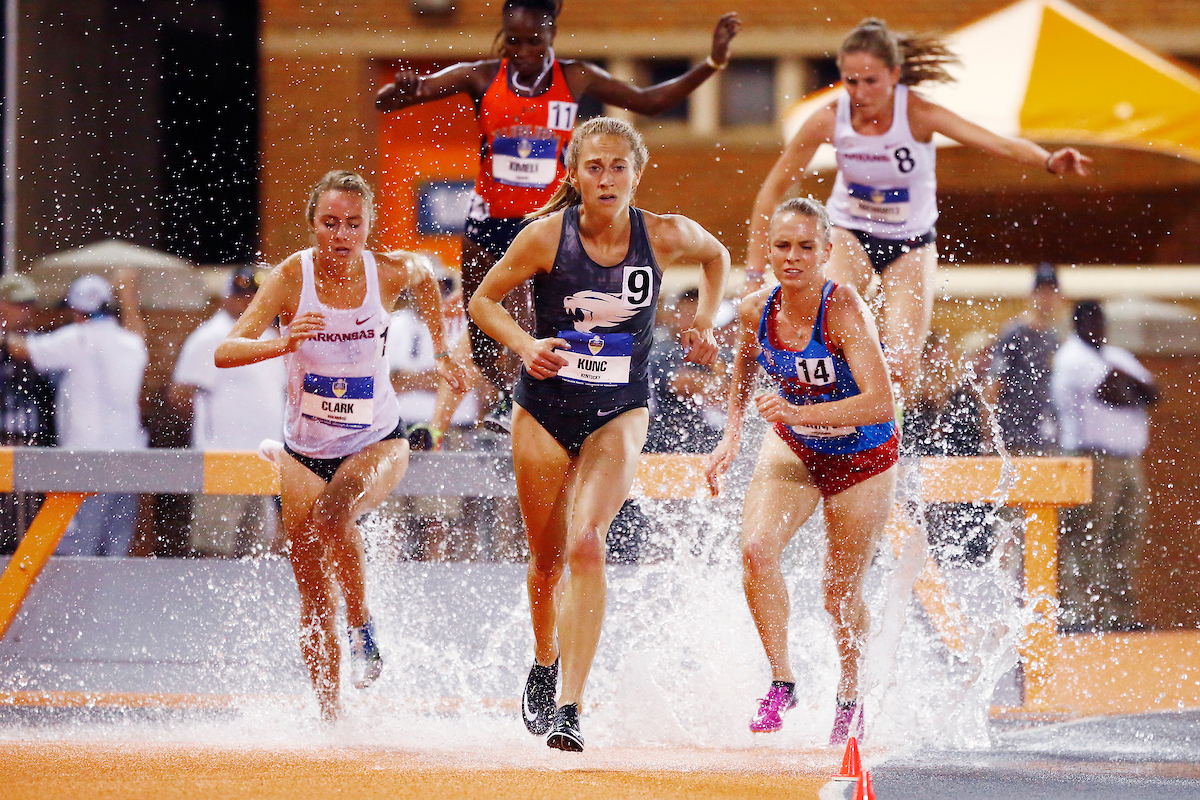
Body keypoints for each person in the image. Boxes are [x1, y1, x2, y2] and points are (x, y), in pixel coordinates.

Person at [468, 116, 729, 751]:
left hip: (620, 409)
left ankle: (570, 707)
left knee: (587, 544)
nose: (607, 179)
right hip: (545, 408)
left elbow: (717, 256)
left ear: (637, 174)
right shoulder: (545, 237)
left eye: (618, 167)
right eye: (594, 167)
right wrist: (526, 345)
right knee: (546, 561)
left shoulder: (663, 235)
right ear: (575, 174)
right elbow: (482, 301)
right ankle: (545, 658)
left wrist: (704, 323)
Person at [376, 1, 740, 432]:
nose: (524, 52)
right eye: (513, 42)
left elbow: (649, 100)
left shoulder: (576, 77)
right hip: (486, 221)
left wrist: (712, 63)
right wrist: (402, 89)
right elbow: (387, 101)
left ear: (551, 35)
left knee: (534, 319)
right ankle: (502, 394)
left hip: (543, 223)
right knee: (482, 328)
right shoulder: (481, 76)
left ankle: (526, 402)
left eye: (534, 41)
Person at [214, 170, 467, 721]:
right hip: (304, 450)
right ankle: (330, 720)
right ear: (312, 225)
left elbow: (426, 275)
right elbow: (225, 351)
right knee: (311, 596)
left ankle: (362, 626)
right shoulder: (290, 277)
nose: (342, 234)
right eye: (330, 223)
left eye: (354, 223)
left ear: (369, 226)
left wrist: (444, 352)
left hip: (377, 439)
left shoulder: (388, 271)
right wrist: (285, 341)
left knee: (334, 516)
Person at [745, 18, 1090, 409]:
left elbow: (997, 143)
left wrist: (1048, 160)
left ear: (894, 75)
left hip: (909, 243)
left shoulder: (918, 114)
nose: (860, 93)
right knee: (828, 332)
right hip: (849, 232)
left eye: (871, 81)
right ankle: (818, 420)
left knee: (901, 366)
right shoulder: (828, 118)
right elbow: (771, 192)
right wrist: (754, 273)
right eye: (851, 81)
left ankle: (883, 433)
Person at [705, 197, 898, 745]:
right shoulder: (754, 310)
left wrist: (796, 412)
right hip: (796, 446)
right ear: (768, 252)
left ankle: (851, 695)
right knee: (756, 549)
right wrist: (733, 432)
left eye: (806, 247)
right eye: (783, 246)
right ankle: (782, 680)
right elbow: (744, 363)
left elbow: (881, 402)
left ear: (826, 252)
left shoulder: (844, 309)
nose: (793, 257)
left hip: (863, 456)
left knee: (838, 595)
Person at [4, 271, 148, 557]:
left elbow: (20, 349)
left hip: (85, 459)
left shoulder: (76, 338)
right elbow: (139, 334)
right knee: (115, 549)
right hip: (129, 458)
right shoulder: (130, 342)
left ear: (75, 309)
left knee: (81, 549)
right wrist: (128, 294)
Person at [1051, 300, 1156, 633]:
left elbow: (1152, 392)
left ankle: (1118, 614)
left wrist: (1127, 382)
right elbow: (1114, 393)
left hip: (1128, 459)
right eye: (1091, 322)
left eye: (1101, 321)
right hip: (1091, 458)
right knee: (1086, 535)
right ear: (1078, 325)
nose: (1098, 328)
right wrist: (1129, 385)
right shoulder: (1072, 356)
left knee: (1124, 536)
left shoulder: (1115, 355)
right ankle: (1077, 613)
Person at [169, 266, 287, 557]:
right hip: (223, 459)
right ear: (226, 298)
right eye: (240, 295)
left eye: (254, 295)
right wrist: (209, 436)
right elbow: (180, 395)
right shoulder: (211, 337)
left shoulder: (270, 337)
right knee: (214, 549)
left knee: (256, 554)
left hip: (264, 462)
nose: (248, 302)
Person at [0, 272, 56, 554]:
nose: (26, 311)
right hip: (5, 436)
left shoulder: (40, 344)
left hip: (30, 440)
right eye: (18, 304)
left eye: (28, 304)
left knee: (25, 524)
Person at [985, 262, 1064, 456]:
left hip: (1043, 434)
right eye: (1042, 292)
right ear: (1033, 295)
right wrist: (989, 434)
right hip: (1013, 433)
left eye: (1051, 293)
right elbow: (994, 384)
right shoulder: (1014, 333)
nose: (1047, 299)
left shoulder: (1053, 338)